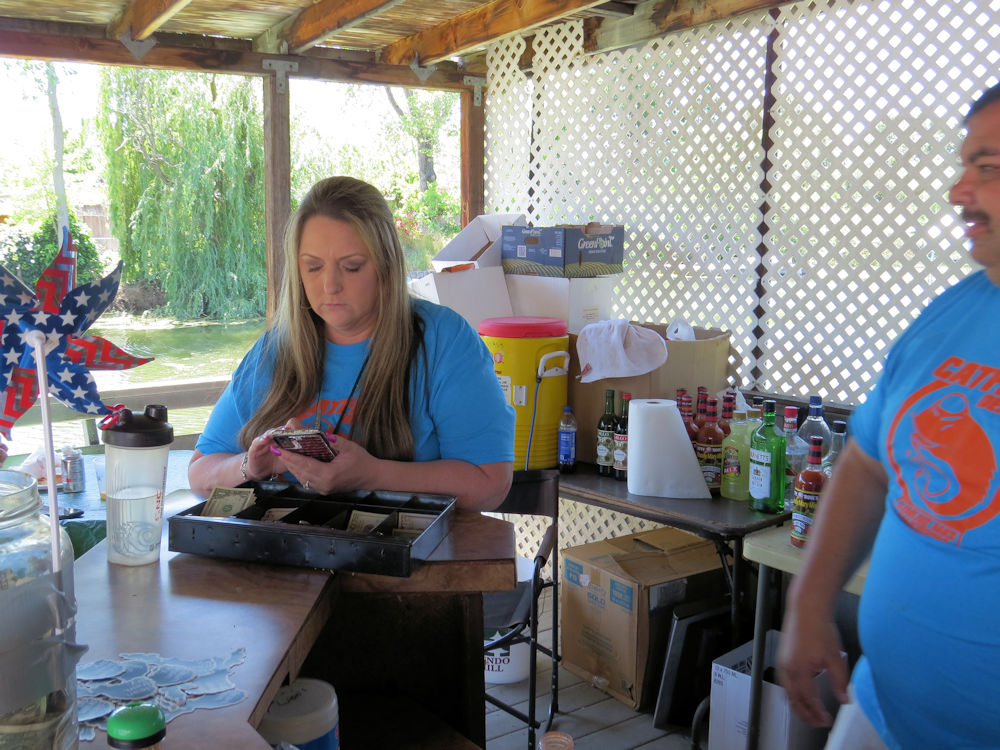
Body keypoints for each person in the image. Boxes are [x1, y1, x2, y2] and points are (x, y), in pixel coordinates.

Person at [777, 82, 1000, 749]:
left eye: (987, 168)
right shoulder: (951, 312)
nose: (958, 192)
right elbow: (868, 463)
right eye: (963, 166)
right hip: (881, 708)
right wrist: (810, 601)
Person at [189, 176, 514, 511]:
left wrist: (373, 474)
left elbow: (490, 484)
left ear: (386, 265)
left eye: (352, 267)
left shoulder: (444, 340)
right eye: (313, 267)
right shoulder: (275, 348)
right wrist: (250, 466)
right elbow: (200, 472)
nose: (330, 285)